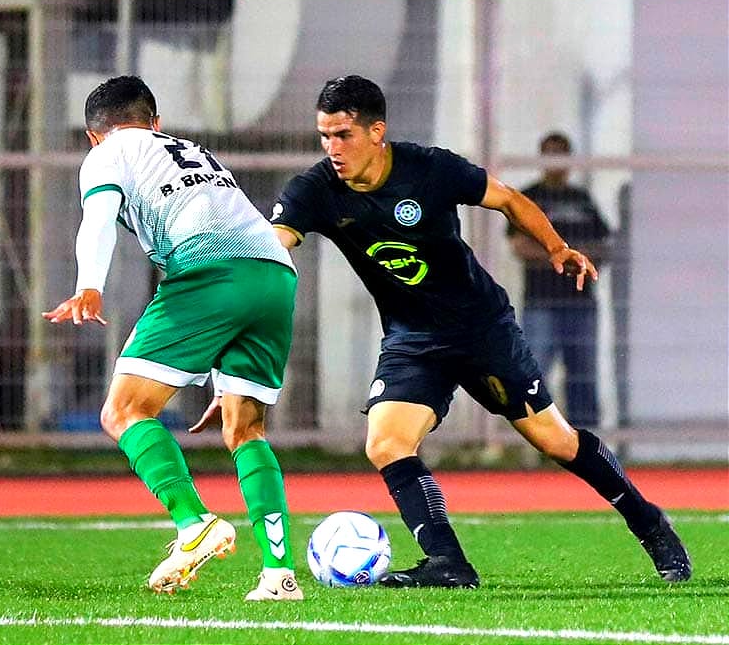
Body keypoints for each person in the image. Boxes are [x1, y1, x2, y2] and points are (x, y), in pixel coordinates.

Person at [265, 74, 691, 587]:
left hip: (480, 329)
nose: (332, 148)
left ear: (377, 132)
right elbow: (273, 245)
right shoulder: (314, 190)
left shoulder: (430, 169)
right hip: (412, 340)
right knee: (385, 441)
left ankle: (650, 524)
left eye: (343, 135)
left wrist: (556, 248)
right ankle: (449, 564)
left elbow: (510, 199)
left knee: (554, 441)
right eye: (324, 136)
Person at [43, 75, 303, 601]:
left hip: (208, 272)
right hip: (275, 273)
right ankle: (279, 575)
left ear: (96, 135)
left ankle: (194, 524)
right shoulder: (189, 149)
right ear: (155, 122)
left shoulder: (108, 152)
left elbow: (97, 219)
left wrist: (87, 286)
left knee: (123, 412)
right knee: (245, 428)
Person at [507, 132, 611, 427]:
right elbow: (519, 245)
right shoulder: (530, 197)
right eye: (550, 153)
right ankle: (536, 436)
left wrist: (577, 255)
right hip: (542, 302)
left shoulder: (581, 199)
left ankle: (588, 441)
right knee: (534, 374)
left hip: (580, 302)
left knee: (583, 373)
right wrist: (559, 255)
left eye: (561, 154)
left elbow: (603, 244)